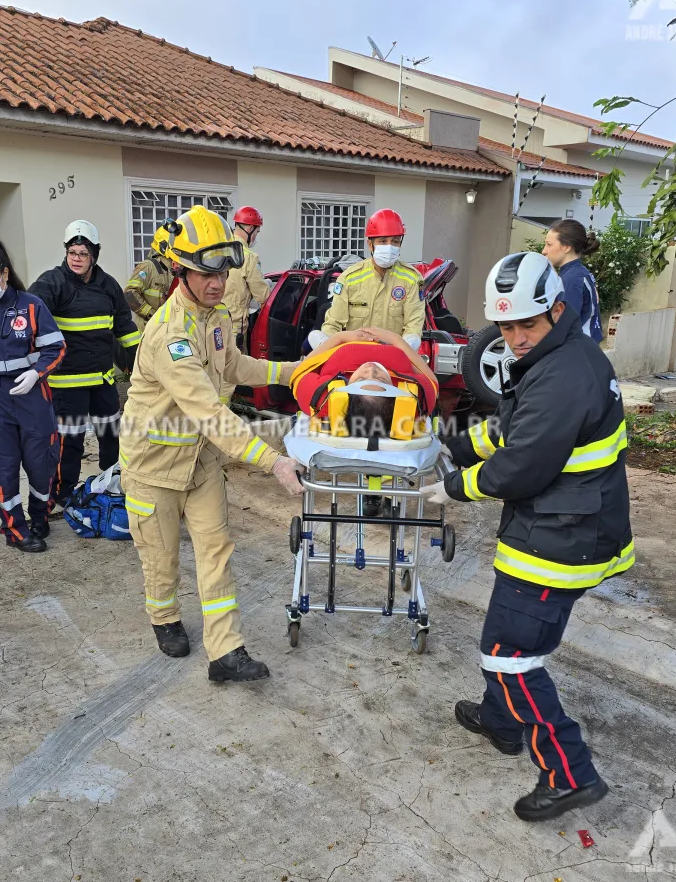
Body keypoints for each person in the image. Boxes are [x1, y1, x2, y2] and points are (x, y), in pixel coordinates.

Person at [419, 251, 632, 822]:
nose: (514, 338)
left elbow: (522, 466)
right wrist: (452, 443)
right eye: (506, 326)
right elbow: (508, 428)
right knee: (506, 632)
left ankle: (569, 774)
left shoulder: (563, 377)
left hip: (560, 539)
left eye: (526, 325)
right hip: (561, 526)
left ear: (556, 310)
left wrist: (454, 487)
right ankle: (501, 719)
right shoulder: (555, 354)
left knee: (510, 656)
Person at [119, 205, 304, 683]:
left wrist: (293, 371)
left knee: (216, 548)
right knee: (160, 558)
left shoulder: (217, 316)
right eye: (205, 273)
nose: (217, 282)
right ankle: (164, 618)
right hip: (153, 466)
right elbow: (209, 412)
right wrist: (273, 461)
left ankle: (226, 653)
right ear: (181, 270)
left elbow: (236, 367)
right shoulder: (168, 335)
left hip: (199, 463)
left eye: (223, 270)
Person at [0, 240, 66, 553]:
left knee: (42, 462)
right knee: (1, 465)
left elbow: (56, 348)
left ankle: (40, 516)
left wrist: (37, 373)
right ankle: (15, 530)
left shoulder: (32, 305)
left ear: (4, 273)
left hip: (32, 395)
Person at [30, 220, 141, 504]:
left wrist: (142, 361)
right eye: (72, 253)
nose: (77, 259)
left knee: (111, 436)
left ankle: (112, 484)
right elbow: (29, 315)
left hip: (102, 382)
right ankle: (62, 494)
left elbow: (125, 327)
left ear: (94, 256)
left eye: (83, 253)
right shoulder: (51, 283)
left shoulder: (108, 285)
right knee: (70, 444)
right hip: (68, 384)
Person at [293, 327, 439, 516]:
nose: (370, 369)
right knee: (412, 340)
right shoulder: (415, 395)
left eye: (361, 378)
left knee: (314, 336)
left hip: (344, 342)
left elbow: (300, 372)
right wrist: (395, 339)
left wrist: (341, 337)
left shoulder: (324, 398)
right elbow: (432, 381)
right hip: (393, 342)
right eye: (380, 379)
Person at [309, 209, 424, 351]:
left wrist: (407, 348)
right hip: (355, 360)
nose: (390, 247)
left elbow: (413, 328)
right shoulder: (349, 278)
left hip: (392, 359)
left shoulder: (412, 279)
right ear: (370, 244)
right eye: (383, 241)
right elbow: (333, 325)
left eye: (395, 241)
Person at [219, 206, 272, 404]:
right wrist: (267, 286)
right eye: (257, 231)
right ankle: (221, 417)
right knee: (229, 378)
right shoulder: (248, 258)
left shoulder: (219, 250)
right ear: (249, 228)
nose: (256, 235)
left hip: (211, 325)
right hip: (233, 329)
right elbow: (263, 296)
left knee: (213, 372)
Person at [542, 219, 603, 343]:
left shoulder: (571, 279)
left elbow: (565, 326)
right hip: (587, 347)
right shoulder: (578, 273)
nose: (544, 251)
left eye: (549, 244)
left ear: (566, 247)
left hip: (578, 350)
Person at [124, 224, 174, 332]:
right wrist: (152, 314)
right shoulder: (148, 267)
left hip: (170, 330)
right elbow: (129, 294)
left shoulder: (178, 270)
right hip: (148, 332)